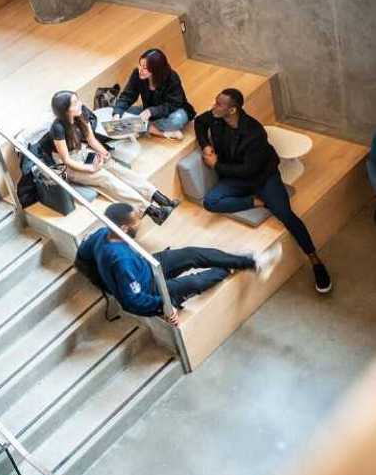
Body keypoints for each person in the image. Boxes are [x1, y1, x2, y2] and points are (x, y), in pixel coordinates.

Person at [196, 88, 331, 293]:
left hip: (262, 177)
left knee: (286, 214)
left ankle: (315, 261)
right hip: (236, 179)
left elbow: (248, 170)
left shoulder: (254, 133)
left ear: (232, 110)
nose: (213, 106)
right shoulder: (215, 118)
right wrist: (205, 146)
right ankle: (258, 202)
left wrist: (216, 165)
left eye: (218, 104)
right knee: (210, 202)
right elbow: (199, 122)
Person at [80, 203, 281, 326]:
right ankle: (227, 268)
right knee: (194, 282)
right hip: (150, 288)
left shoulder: (101, 234)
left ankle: (252, 262)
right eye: (136, 222)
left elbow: (81, 258)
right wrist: (163, 307)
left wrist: (101, 280)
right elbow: (132, 301)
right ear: (123, 228)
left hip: (148, 265)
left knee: (193, 254)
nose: (139, 223)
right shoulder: (121, 261)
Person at [38, 91, 177, 224]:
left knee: (115, 167)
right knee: (105, 177)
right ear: (65, 109)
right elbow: (67, 160)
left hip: (83, 152)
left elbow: (91, 140)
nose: (80, 103)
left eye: (78, 100)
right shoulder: (57, 128)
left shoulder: (82, 113)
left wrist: (105, 153)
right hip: (69, 164)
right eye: (75, 103)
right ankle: (152, 211)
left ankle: (160, 199)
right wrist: (90, 168)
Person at [112, 48, 196, 140]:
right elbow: (128, 95)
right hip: (149, 111)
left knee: (176, 120)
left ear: (156, 69)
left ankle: (140, 127)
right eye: (140, 65)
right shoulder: (137, 73)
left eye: (145, 68)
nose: (140, 70)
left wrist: (151, 111)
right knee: (116, 110)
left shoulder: (172, 78)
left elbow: (173, 104)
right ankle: (161, 132)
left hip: (173, 111)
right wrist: (117, 114)